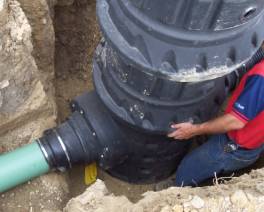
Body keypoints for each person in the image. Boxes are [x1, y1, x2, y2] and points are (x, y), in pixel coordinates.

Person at [168, 45, 264, 187]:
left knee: (188, 168)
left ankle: (174, 193)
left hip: (235, 146)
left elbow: (235, 121)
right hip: (255, 142)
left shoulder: (261, 77)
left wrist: (194, 130)